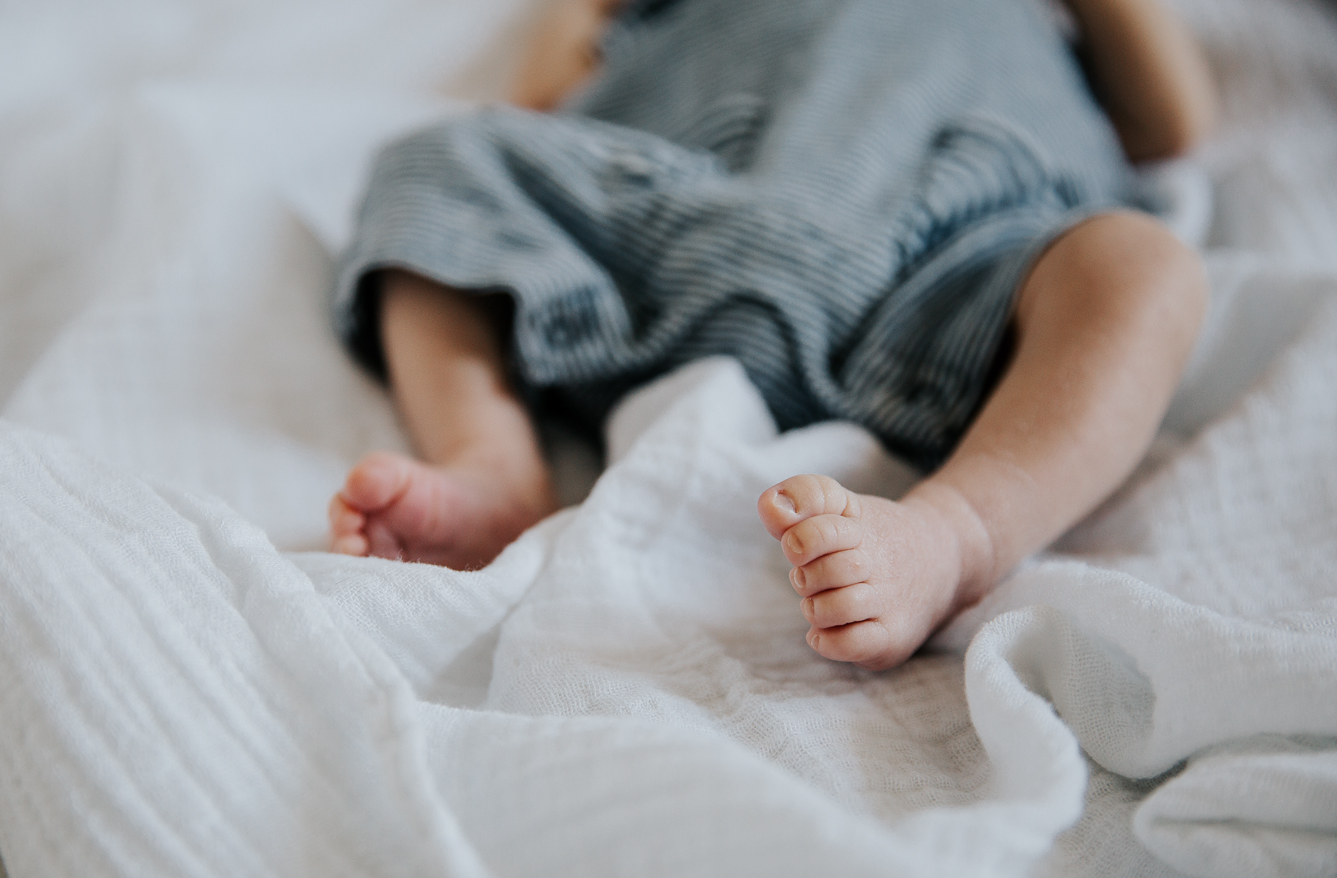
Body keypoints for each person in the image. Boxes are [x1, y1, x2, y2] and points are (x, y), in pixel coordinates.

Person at [327, 0, 1217, 671]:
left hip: (953, 263)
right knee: (442, 161)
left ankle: (954, 535)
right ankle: (492, 460)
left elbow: (1168, 122)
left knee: (1143, 270)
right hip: (680, 218)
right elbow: (544, 94)